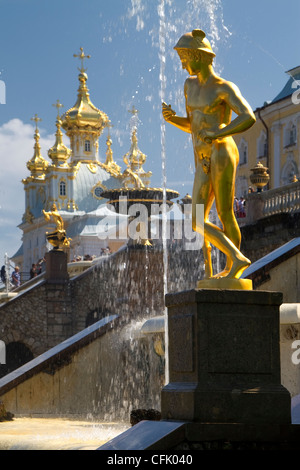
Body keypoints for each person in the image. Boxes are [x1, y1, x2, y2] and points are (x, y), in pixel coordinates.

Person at [162, 29, 256, 279]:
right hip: (203, 158)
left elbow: (249, 117)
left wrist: (218, 134)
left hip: (222, 150)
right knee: (196, 220)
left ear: (199, 56)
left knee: (225, 213)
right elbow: (195, 124)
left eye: (185, 58)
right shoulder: (189, 86)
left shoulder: (223, 87)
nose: (182, 65)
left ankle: (231, 269)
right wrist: (174, 120)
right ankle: (236, 258)